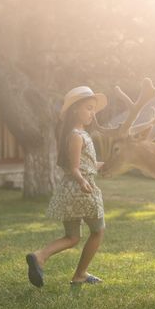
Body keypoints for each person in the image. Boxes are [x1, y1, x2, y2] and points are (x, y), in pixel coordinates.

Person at [26, 86, 108, 288]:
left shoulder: (72, 134)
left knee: (72, 237)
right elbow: (74, 169)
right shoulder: (78, 135)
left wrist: (107, 165)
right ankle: (80, 274)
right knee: (98, 231)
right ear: (74, 110)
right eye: (89, 108)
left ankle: (40, 256)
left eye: (93, 109)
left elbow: (83, 164)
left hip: (69, 192)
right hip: (82, 190)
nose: (92, 113)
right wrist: (82, 181)